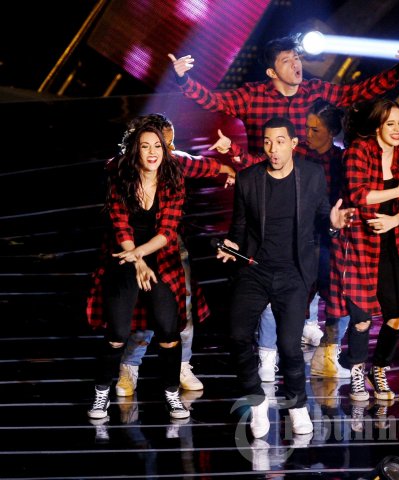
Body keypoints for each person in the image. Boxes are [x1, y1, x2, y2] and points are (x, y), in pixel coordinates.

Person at [216, 117, 353, 438]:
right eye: (267, 142)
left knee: (290, 347)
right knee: (237, 336)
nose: (272, 149)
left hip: (293, 272)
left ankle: (297, 405)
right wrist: (231, 245)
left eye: (279, 142)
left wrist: (333, 224)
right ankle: (256, 399)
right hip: (254, 269)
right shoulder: (248, 179)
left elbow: (323, 216)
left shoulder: (312, 175)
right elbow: (238, 227)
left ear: (293, 143)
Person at [114, 114, 236, 397]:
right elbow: (119, 222)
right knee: (139, 308)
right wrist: (136, 256)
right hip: (131, 248)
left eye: (168, 145)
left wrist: (228, 168)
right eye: (158, 144)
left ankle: (182, 363)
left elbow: (202, 164)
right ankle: (129, 366)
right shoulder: (122, 170)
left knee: (183, 305)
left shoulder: (174, 162)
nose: (166, 151)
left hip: (168, 247)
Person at [86, 119, 190, 420]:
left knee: (169, 330)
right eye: (145, 147)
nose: (152, 152)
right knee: (117, 332)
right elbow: (121, 227)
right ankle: (101, 393)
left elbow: (167, 231)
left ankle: (172, 393)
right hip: (124, 257)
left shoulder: (173, 180)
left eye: (157, 146)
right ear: (136, 150)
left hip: (161, 258)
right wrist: (137, 261)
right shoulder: (120, 179)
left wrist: (142, 257)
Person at [168, 35, 399, 154]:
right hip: (267, 182)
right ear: (271, 72)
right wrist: (183, 79)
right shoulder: (252, 96)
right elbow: (214, 101)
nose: (296, 64)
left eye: (296, 58)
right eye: (286, 61)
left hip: (310, 180)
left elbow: (356, 93)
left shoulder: (315, 90)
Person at [326, 98, 399, 401]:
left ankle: (378, 368)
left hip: (390, 241)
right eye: (390, 123)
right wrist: (398, 190)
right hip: (358, 241)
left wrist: (396, 218)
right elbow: (358, 194)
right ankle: (356, 370)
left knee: (396, 318)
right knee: (362, 318)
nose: (397, 129)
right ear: (377, 126)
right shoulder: (358, 152)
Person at [253, 100, 352, 379]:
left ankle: (327, 353)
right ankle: (267, 355)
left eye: (315, 130)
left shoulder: (342, 159)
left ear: (332, 132)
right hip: (297, 236)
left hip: (329, 236)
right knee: (277, 294)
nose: (308, 135)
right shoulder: (299, 155)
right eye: (306, 129)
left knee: (340, 296)